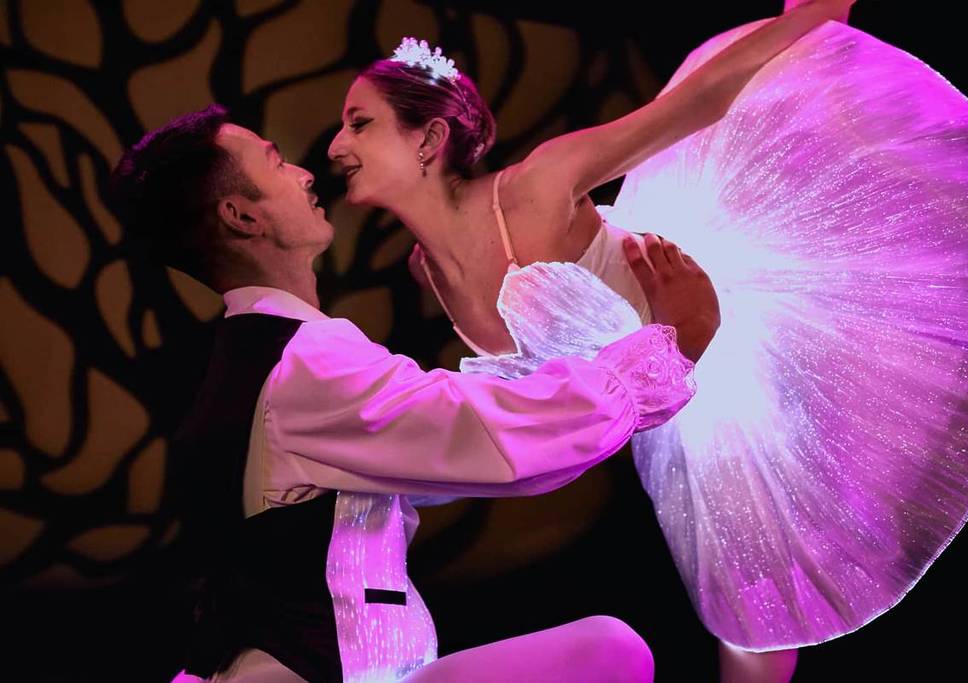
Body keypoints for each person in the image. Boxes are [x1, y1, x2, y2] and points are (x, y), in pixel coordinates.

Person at [326, 0, 968, 681]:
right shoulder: (428, 271)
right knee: (744, 596)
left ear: (428, 140)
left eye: (359, 124)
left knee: (779, 570)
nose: (336, 147)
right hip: (660, 393)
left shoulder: (534, 189)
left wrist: (808, 25)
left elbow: (699, 102)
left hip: (732, 334)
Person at [109, 104, 719, 682]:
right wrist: (671, 346)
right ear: (242, 217)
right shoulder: (303, 364)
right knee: (608, 651)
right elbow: (490, 436)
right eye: (275, 161)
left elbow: (442, 437)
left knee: (605, 650)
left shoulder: (273, 356)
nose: (304, 170)